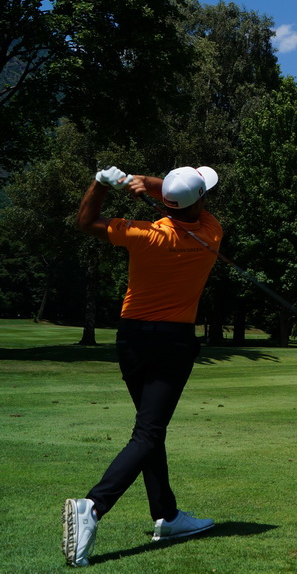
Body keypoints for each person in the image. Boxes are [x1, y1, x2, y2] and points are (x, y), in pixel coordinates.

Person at [63, 165, 223, 567]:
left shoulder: (143, 234)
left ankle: (167, 515)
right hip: (174, 341)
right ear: (199, 202)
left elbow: (85, 222)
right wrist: (144, 185)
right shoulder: (210, 232)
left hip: (132, 338)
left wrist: (103, 183)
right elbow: (174, 197)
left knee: (151, 430)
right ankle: (93, 506)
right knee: (149, 431)